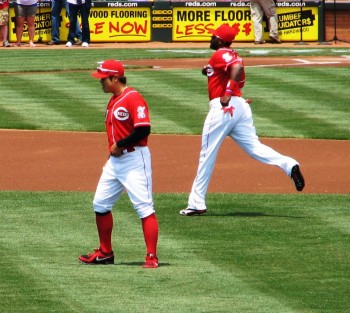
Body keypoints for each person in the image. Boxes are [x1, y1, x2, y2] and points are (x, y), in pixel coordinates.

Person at [180, 24, 305, 216]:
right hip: (240, 107)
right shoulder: (232, 53)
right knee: (256, 148)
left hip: (224, 107)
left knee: (207, 154)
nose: (210, 39)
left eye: (213, 37)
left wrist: (227, 92)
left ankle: (197, 203)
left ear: (220, 40)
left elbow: (235, 69)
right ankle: (289, 165)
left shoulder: (220, 53)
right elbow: (238, 75)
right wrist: (211, 72)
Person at [79, 60, 159, 268]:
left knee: (144, 207)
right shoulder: (114, 99)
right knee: (100, 204)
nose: (101, 83)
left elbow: (143, 130)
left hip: (135, 159)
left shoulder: (134, 98)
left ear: (115, 78)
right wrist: (115, 150)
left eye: (104, 79)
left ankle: (151, 256)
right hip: (115, 162)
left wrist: (121, 144)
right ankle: (105, 252)